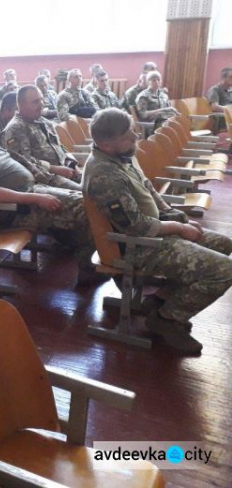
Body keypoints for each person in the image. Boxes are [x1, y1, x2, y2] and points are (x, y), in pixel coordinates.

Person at [83, 108, 232, 354]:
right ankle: (167, 319)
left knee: (225, 244)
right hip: (135, 246)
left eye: (132, 130)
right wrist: (180, 228)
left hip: (154, 232)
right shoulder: (104, 174)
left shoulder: (122, 155)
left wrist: (176, 215)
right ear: (107, 144)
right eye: (127, 134)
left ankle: (160, 300)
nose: (135, 136)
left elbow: (148, 188)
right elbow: (136, 226)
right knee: (224, 271)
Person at [0, 105, 99, 284]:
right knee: (84, 208)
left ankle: (79, 247)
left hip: (31, 191)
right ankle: (87, 268)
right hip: (15, 210)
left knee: (87, 199)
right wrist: (37, 198)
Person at [4, 86, 82, 190]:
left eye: (41, 99)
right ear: (21, 104)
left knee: (97, 187)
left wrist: (72, 164)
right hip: (44, 179)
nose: (41, 104)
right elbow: (23, 160)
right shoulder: (16, 127)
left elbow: (59, 147)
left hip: (66, 170)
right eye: (35, 101)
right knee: (86, 195)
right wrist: (54, 169)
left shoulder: (44, 122)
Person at [205, 67, 231, 134]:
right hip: (221, 120)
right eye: (231, 77)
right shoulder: (215, 89)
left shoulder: (230, 90)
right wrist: (230, 110)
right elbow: (215, 107)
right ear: (223, 77)